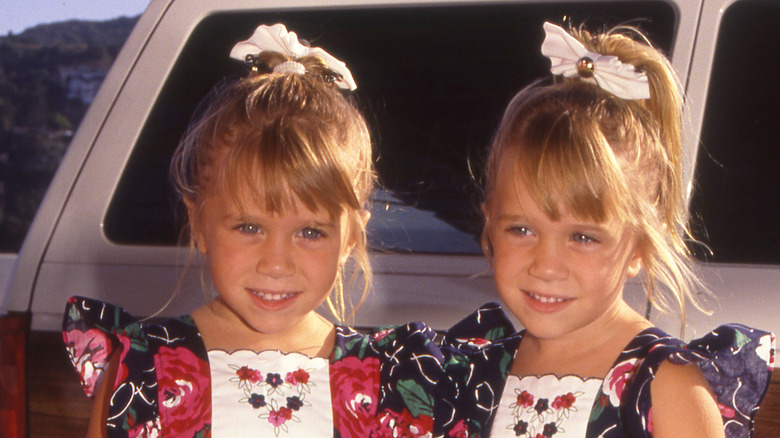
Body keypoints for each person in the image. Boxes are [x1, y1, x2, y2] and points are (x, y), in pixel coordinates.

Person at [63, 23, 463, 438]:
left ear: (350, 237)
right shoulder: (141, 372)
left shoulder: (394, 384)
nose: (276, 263)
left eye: (310, 232)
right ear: (198, 222)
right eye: (249, 226)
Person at [444, 22, 775, 438]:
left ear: (639, 246)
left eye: (583, 237)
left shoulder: (664, 386)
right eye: (522, 230)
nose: (546, 266)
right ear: (489, 224)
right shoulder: (475, 371)